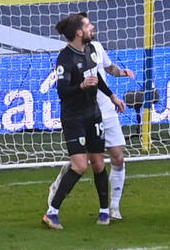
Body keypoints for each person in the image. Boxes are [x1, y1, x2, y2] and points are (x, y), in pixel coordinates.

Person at [43, 12, 126, 229]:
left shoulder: (91, 50)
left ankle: (105, 211)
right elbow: (62, 92)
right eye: (88, 26)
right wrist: (81, 87)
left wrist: (111, 96)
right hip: (74, 117)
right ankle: (52, 212)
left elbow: (96, 78)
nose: (93, 27)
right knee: (80, 166)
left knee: (99, 163)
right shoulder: (65, 58)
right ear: (79, 32)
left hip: (93, 114)